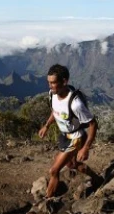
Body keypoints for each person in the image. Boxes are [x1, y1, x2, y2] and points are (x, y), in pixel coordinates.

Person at [38, 64, 102, 198]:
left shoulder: (75, 103)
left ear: (64, 81)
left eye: (53, 82)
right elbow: (55, 111)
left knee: (54, 170)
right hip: (64, 136)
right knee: (72, 164)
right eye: (49, 82)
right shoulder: (53, 94)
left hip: (76, 137)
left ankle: (47, 201)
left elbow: (93, 124)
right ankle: (97, 179)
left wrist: (86, 148)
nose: (50, 86)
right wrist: (47, 125)